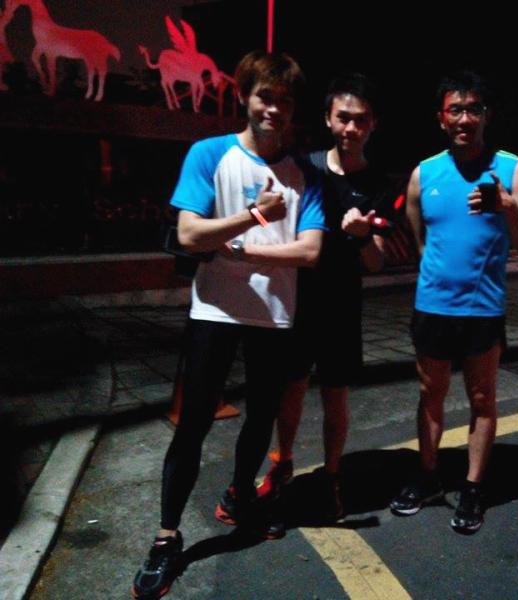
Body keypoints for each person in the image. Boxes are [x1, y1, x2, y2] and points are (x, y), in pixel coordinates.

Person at [132, 50, 326, 599]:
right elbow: (190, 234)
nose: (274, 109)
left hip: (273, 316)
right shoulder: (209, 153)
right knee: (193, 423)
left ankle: (242, 496)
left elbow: (310, 252)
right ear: (245, 96)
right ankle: (167, 537)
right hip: (214, 312)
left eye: (284, 101)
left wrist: (237, 248)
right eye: (265, 96)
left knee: (260, 417)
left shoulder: (305, 174)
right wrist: (256, 217)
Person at [389, 70, 518, 534]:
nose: (465, 118)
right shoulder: (424, 173)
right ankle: (428, 475)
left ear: (486, 116)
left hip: (483, 308)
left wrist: (508, 207)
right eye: (455, 109)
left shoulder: (511, 169)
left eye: (474, 109)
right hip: (433, 307)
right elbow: (419, 239)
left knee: (482, 397)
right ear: (441, 118)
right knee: (430, 394)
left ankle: (473, 487)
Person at [255, 73, 398, 521]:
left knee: (335, 395)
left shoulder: (379, 183)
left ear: (373, 124)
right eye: (343, 118)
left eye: (361, 120)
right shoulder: (305, 167)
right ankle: (283, 463)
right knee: (290, 389)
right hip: (296, 298)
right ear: (328, 119)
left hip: (342, 304)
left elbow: (376, 262)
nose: (351, 128)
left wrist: (361, 237)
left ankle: (332, 476)